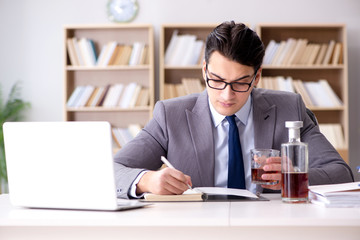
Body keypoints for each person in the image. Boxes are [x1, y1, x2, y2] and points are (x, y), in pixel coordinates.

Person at [113, 21, 354, 199]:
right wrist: (147, 180)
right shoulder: (170, 115)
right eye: (216, 80)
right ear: (204, 69)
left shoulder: (289, 108)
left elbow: (341, 173)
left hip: (271, 228)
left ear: (257, 76)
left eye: (240, 83)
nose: (226, 95)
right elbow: (112, 171)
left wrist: (296, 177)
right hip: (195, 229)